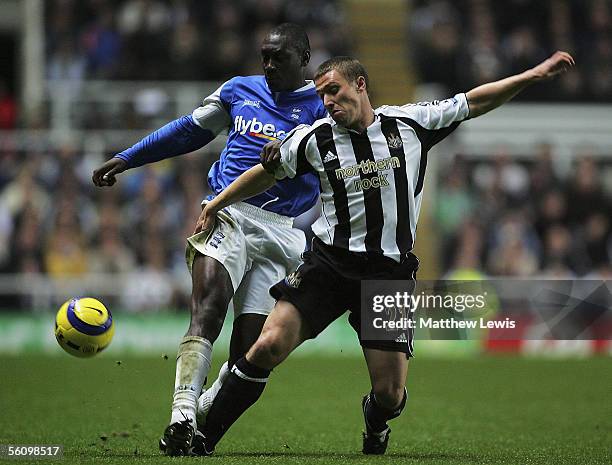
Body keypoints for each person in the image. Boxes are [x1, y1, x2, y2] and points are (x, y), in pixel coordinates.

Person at [191, 51, 575, 455]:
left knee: (390, 394)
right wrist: (216, 204)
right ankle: (204, 438)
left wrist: (533, 74)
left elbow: (475, 100)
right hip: (329, 264)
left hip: (387, 274)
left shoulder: (409, 124)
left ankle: (375, 423)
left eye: (334, 91)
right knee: (268, 344)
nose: (328, 103)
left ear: (360, 85)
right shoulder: (314, 139)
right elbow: (264, 173)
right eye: (322, 96)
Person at [92, 23, 328, 456]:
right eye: (266, 57)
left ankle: (199, 415)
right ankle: (182, 415)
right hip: (227, 212)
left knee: (252, 352)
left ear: (305, 58)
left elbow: (336, 160)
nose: (271, 65)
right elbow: (188, 130)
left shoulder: (323, 106)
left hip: (282, 232)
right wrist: (128, 157)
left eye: (281, 58)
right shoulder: (240, 90)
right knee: (209, 307)